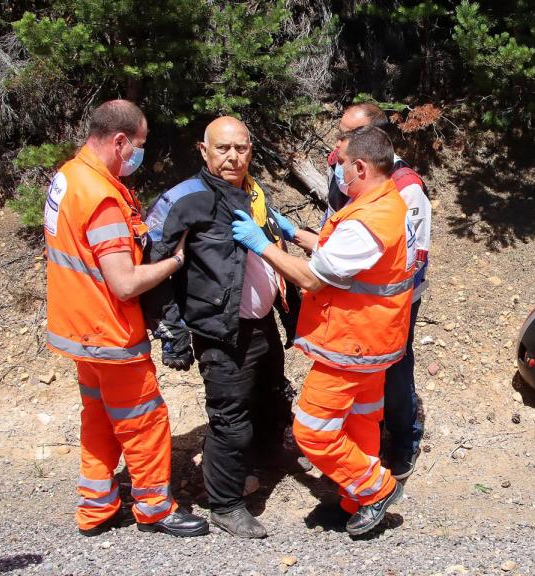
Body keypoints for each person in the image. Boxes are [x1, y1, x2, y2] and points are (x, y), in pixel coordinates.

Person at [231, 126, 414, 536]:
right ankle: (355, 499)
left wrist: (262, 244)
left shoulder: (367, 219)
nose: (338, 173)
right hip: (373, 341)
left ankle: (376, 488)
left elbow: (314, 279)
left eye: (342, 166)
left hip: (351, 343)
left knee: (312, 431)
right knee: (361, 421)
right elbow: (342, 257)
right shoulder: (386, 202)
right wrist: (293, 232)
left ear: (361, 167)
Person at [44, 99, 208, 537]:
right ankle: (154, 506)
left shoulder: (69, 176)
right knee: (145, 420)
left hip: (78, 330)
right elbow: (125, 283)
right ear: (119, 141)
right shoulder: (101, 199)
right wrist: (174, 262)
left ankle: (96, 507)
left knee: (98, 418)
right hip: (110, 333)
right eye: (139, 144)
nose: (141, 153)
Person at [142, 116, 298, 539]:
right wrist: (171, 331)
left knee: (270, 395)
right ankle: (226, 504)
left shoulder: (253, 193)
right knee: (230, 420)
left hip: (261, 322)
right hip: (221, 329)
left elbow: (274, 247)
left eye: (242, 148)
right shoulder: (185, 198)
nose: (233, 156)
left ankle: (266, 459)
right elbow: (152, 265)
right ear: (204, 150)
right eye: (223, 148)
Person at [326, 103, 432, 479]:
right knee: (355, 369)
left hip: (391, 300)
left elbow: (414, 255)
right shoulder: (338, 168)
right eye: (338, 133)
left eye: (347, 136)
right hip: (351, 295)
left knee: (394, 368)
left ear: (375, 138)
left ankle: (404, 440)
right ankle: (358, 439)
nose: (337, 143)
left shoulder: (407, 187)